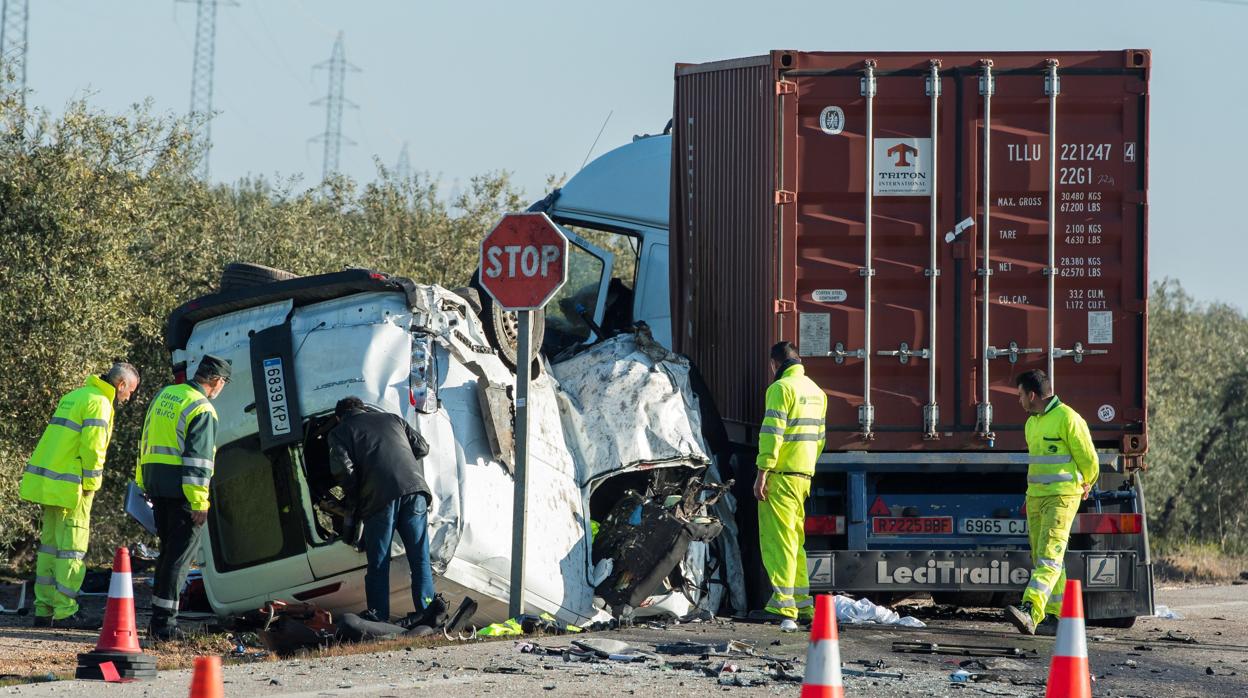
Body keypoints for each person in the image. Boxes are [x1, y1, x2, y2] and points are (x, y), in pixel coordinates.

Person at [21, 362, 140, 629]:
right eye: (130, 391)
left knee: (49, 547)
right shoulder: (100, 403)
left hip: (51, 484)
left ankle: (44, 608)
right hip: (74, 486)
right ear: (121, 385)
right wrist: (91, 484)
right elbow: (93, 450)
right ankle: (65, 611)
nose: (128, 397)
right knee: (72, 548)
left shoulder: (75, 396)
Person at [137, 354, 229, 641]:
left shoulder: (167, 394)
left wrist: (142, 481)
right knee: (179, 560)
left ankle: (159, 621)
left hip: (157, 486)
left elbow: (146, 439)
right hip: (182, 493)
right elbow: (198, 462)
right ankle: (165, 625)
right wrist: (200, 503)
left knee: (167, 556)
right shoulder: (203, 408)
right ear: (216, 381)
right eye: (223, 383)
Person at [328, 396, 440, 627]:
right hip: (415, 491)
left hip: (379, 499)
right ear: (363, 407)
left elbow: (343, 470)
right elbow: (422, 447)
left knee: (379, 562)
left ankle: (379, 616)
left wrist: (356, 497)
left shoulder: (339, 432)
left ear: (339, 417)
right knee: (419, 558)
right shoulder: (392, 419)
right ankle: (429, 612)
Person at [1005, 369, 1098, 636]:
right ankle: (1058, 617)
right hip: (1035, 498)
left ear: (1032, 395)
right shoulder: (1032, 423)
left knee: (1049, 557)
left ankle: (1030, 610)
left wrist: (1086, 482)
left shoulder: (1068, 419)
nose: (1019, 400)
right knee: (1045, 558)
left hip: (1061, 498)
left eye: (1021, 395)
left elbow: (1089, 460)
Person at [753, 341, 827, 633]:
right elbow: (820, 440)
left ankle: (782, 605)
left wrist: (762, 473)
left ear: (775, 364)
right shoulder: (817, 392)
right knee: (796, 542)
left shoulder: (780, 389)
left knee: (778, 540)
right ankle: (803, 603)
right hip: (803, 475)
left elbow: (772, 434)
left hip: (781, 475)